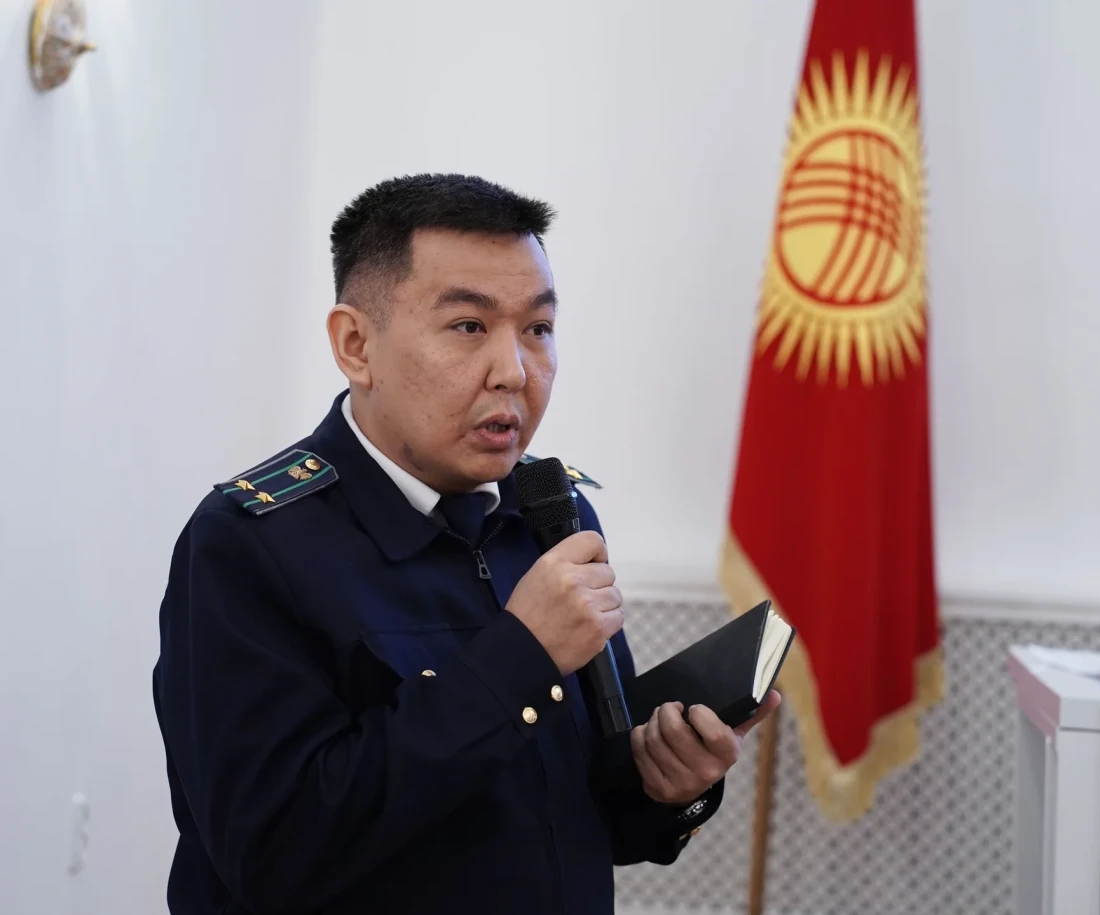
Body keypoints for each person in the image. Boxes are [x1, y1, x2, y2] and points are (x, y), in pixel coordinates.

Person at [151, 173, 781, 914]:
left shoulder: (553, 512)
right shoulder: (249, 544)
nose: (514, 372)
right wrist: (519, 656)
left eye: (538, 329)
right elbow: (273, 854)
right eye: (468, 327)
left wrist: (666, 785)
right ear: (356, 345)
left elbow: (586, 820)